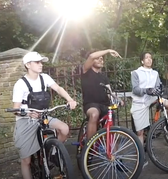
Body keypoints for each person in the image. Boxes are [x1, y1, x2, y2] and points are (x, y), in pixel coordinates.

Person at [12, 51, 77, 179]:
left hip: (43, 116)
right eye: (37, 62)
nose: (41, 64)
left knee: (64, 128)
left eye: (41, 62)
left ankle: (52, 152)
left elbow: (58, 88)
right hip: (26, 120)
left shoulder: (44, 78)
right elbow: (15, 108)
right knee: (26, 161)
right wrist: (29, 113)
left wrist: (70, 100)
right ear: (28, 65)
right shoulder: (20, 84)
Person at [130, 52, 168, 147]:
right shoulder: (135, 73)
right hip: (140, 101)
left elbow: (158, 86)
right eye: (146, 58)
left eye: (150, 57)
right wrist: (147, 90)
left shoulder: (155, 73)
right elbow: (135, 89)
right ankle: (141, 155)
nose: (149, 59)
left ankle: (167, 128)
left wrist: (159, 89)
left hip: (152, 98)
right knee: (140, 132)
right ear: (142, 61)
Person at [81, 49, 122, 141]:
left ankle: (111, 152)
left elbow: (110, 92)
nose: (100, 60)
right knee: (94, 114)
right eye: (98, 58)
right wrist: (108, 51)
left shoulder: (104, 77)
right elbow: (91, 56)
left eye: (102, 59)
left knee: (111, 121)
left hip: (105, 105)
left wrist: (117, 99)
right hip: (91, 104)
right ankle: (89, 146)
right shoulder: (86, 72)